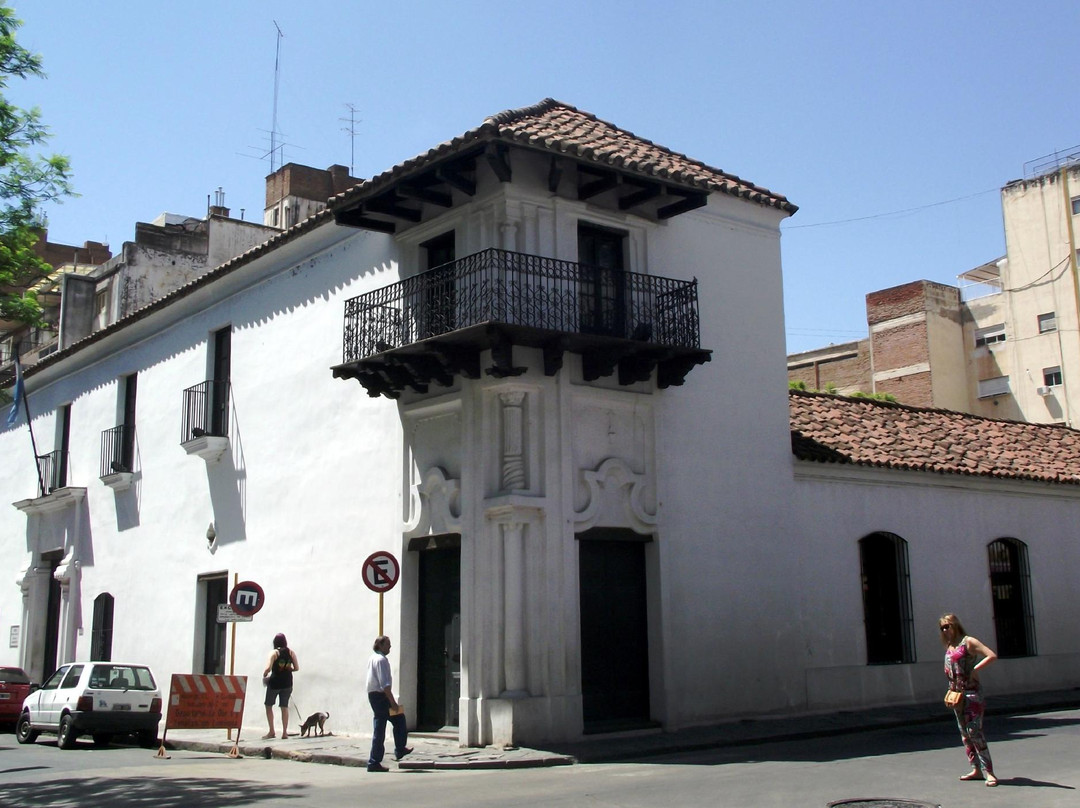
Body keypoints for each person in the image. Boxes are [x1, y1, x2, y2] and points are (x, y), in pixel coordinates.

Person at [939, 613, 998, 787]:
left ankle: (989, 772)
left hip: (972, 693)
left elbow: (991, 655)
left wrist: (975, 669)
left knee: (975, 731)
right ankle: (976, 769)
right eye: (942, 627)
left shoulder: (968, 642)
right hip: (956, 695)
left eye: (947, 626)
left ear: (955, 625)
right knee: (965, 734)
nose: (945, 630)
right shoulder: (950, 646)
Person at [366, 635, 411, 772]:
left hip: (375, 696)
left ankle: (399, 749)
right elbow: (385, 685)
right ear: (380, 645)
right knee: (381, 727)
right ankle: (374, 761)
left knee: (397, 720)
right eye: (388, 644)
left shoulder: (373, 658)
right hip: (381, 697)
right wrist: (392, 702)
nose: (390, 647)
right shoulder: (381, 660)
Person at [263, 632, 299, 739]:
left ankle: (272, 731)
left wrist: (265, 674)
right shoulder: (291, 652)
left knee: (269, 706)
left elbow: (268, 668)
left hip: (274, 683)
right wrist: (288, 669)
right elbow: (296, 668)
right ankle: (284, 733)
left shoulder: (274, 653)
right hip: (287, 683)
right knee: (284, 707)